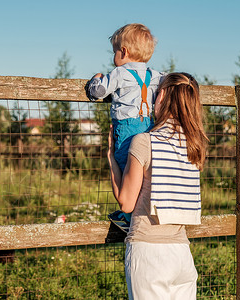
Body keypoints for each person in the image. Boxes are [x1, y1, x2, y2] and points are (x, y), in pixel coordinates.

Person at [107, 72, 208, 299]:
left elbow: (126, 202)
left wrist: (112, 159)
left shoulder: (145, 141)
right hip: (182, 254)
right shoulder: (194, 146)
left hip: (149, 253)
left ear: (161, 95)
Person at [85, 23, 164, 226]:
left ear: (124, 51)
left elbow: (99, 92)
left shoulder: (119, 73)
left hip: (127, 129)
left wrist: (97, 78)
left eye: (114, 51)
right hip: (149, 127)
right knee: (144, 171)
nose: (114, 57)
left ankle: (129, 216)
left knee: (124, 166)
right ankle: (139, 211)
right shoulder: (156, 76)